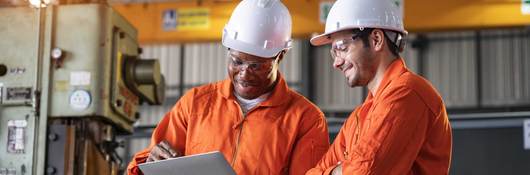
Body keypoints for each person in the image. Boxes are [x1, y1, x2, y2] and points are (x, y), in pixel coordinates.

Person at [127, 0, 330, 174]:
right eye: (237, 61)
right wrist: (149, 163)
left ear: (280, 56)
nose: (244, 73)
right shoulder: (195, 104)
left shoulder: (306, 119)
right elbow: (149, 165)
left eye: (256, 65)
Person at [306, 0, 452, 174]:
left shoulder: (408, 93)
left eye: (342, 48)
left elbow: (364, 171)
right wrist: (342, 170)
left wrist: (341, 168)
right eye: (334, 52)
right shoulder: (358, 118)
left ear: (376, 40)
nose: (336, 63)